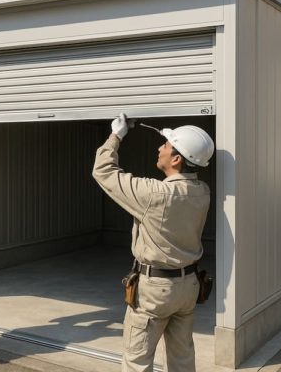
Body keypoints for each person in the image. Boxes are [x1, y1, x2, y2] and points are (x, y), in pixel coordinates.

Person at [92, 114, 215, 372]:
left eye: (166, 146)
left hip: (155, 291)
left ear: (177, 159)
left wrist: (116, 135)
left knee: (137, 361)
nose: (159, 148)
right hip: (188, 287)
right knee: (182, 360)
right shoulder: (203, 191)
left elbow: (103, 171)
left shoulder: (155, 194)